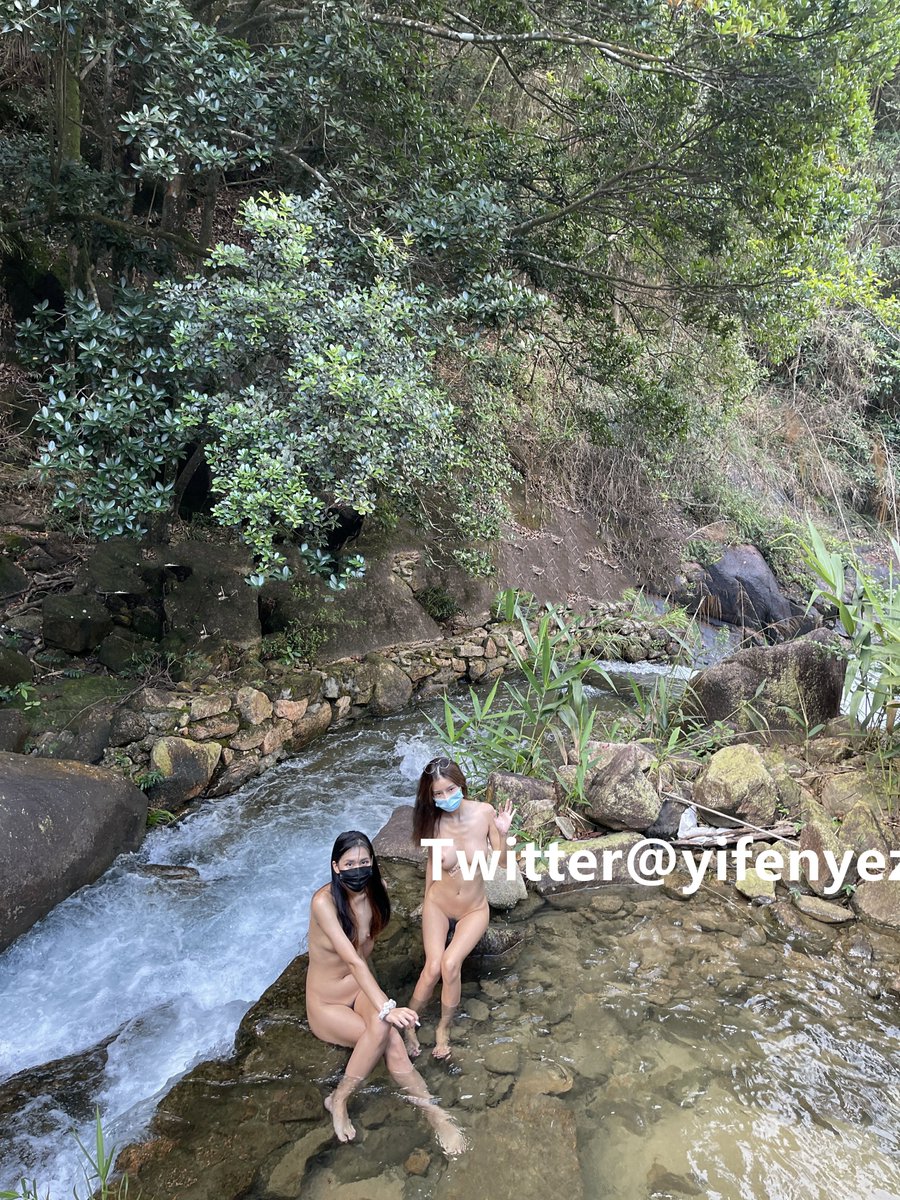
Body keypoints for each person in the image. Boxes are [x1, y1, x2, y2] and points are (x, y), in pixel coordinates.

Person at [306, 829, 467, 1154]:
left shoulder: (375, 894)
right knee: (386, 1032)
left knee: (388, 1030)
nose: (357, 868)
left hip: (359, 989)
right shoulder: (324, 903)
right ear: (336, 866)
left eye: (364, 862)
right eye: (349, 863)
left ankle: (438, 1117)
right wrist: (387, 1008)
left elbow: (366, 959)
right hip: (327, 1003)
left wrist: (384, 1006)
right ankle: (339, 1100)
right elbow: (351, 959)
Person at [404, 757, 515, 1060]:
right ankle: (409, 1022)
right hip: (438, 904)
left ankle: (443, 1028)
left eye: (449, 789)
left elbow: (503, 864)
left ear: (461, 785)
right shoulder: (432, 820)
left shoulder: (484, 813)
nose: (443, 798)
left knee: (451, 965)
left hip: (473, 909)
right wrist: (426, 901)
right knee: (432, 968)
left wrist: (502, 834)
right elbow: (432, 865)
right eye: (437, 794)